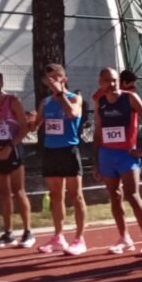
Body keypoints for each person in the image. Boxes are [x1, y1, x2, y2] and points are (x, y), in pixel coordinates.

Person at [93, 67, 142, 256]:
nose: (111, 84)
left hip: (126, 155)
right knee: (114, 195)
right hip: (107, 154)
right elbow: (98, 131)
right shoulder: (99, 101)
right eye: (107, 80)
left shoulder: (130, 98)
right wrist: (95, 161)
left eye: (114, 80)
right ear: (101, 83)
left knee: (132, 195)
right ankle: (124, 238)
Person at [31, 63, 88, 255]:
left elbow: (72, 114)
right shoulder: (45, 102)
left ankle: (79, 239)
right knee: (56, 196)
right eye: (49, 79)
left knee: (76, 196)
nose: (52, 81)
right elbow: (35, 126)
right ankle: (58, 237)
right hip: (51, 151)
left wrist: (60, 93)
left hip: (69, 150)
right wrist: (30, 121)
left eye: (56, 77)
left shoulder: (74, 98)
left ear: (64, 79)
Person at [0, 70, 33, 249]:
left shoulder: (12, 101)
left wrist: (10, 146)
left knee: (19, 191)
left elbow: (24, 128)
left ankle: (27, 232)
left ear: (1, 83)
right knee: (3, 194)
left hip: (13, 149)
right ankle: (8, 233)